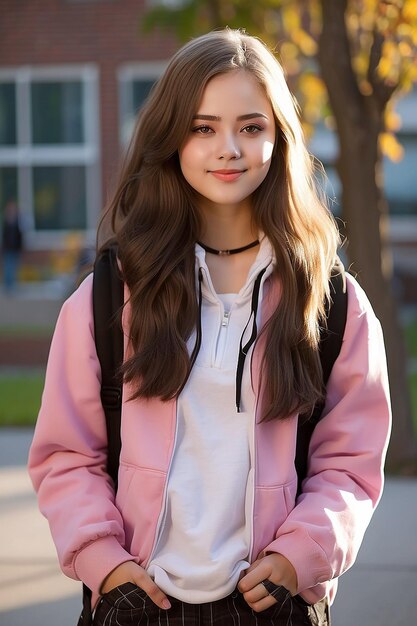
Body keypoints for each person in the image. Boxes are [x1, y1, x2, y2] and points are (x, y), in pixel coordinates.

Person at [28, 28, 391, 626]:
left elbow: (350, 463)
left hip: (273, 603)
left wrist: (301, 556)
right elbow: (67, 457)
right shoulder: (110, 295)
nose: (229, 148)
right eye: (203, 128)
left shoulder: (329, 300)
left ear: (279, 139)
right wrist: (106, 566)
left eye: (251, 127)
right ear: (171, 139)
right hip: (136, 602)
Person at [2, 200, 23, 293]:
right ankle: (8, 286)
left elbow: (19, 236)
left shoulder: (17, 222)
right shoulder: (6, 222)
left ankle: (12, 285)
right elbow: (4, 236)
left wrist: (20, 246)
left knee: (13, 267)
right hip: (8, 249)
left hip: (14, 249)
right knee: (8, 267)